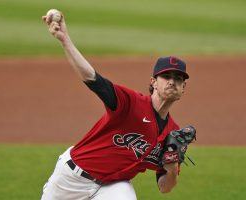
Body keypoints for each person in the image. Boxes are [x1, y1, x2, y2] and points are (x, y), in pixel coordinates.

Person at [41, 11, 190, 200]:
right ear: (153, 82)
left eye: (178, 79)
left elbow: (165, 188)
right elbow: (92, 78)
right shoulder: (130, 102)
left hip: (113, 186)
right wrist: (65, 40)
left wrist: (171, 170)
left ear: (183, 88)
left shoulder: (173, 134)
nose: (172, 82)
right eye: (166, 76)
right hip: (71, 178)